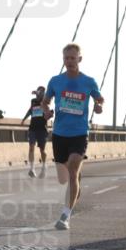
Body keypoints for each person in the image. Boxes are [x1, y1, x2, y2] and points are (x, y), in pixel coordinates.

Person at [41, 44, 103, 231]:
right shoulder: (55, 81)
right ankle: (75, 186)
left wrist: (99, 106)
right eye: (66, 58)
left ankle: (66, 215)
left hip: (80, 132)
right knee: (64, 178)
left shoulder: (89, 82)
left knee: (73, 169)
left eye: (73, 58)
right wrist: (46, 112)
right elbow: (45, 101)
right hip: (60, 133)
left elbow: (99, 99)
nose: (69, 61)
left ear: (79, 59)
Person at [20, 86, 49, 178]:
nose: (38, 94)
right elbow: (30, 110)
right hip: (33, 128)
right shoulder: (33, 101)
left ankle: (44, 166)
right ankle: (32, 169)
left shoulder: (45, 101)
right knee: (31, 147)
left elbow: (45, 107)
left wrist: (41, 97)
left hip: (42, 129)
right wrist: (24, 119)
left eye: (40, 92)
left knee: (42, 150)